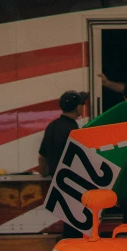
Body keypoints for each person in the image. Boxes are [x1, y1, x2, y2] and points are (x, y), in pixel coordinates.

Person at [38, 90, 87, 238]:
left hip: (58, 182)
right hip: (74, 184)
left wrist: (44, 173)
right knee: (76, 227)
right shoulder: (74, 130)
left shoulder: (51, 126)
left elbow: (42, 157)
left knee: (68, 223)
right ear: (78, 107)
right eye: (82, 104)